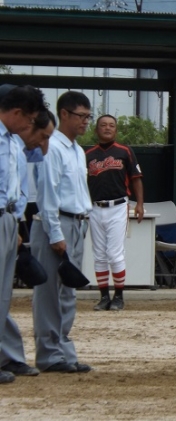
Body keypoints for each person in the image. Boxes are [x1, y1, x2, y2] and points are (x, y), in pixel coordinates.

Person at [31, 91, 93, 373]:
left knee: (68, 290)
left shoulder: (77, 150)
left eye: (88, 117)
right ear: (64, 114)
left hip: (78, 222)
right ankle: (48, 354)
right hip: (56, 222)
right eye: (81, 116)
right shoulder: (51, 147)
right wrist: (55, 233)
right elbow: (47, 193)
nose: (85, 122)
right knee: (49, 292)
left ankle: (64, 351)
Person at [0, 85, 47, 384]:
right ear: (17, 112)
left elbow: (14, 187)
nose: (30, 125)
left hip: (7, 218)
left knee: (3, 295)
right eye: (29, 119)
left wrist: (16, 222)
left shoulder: (13, 141)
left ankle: (6, 357)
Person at [86, 115, 144, 311]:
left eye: (111, 125)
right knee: (99, 254)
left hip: (118, 206)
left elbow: (136, 178)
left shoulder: (124, 151)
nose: (107, 128)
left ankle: (118, 296)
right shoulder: (89, 154)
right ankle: (104, 297)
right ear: (96, 130)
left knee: (114, 253)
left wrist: (140, 204)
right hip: (95, 207)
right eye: (103, 125)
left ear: (116, 130)